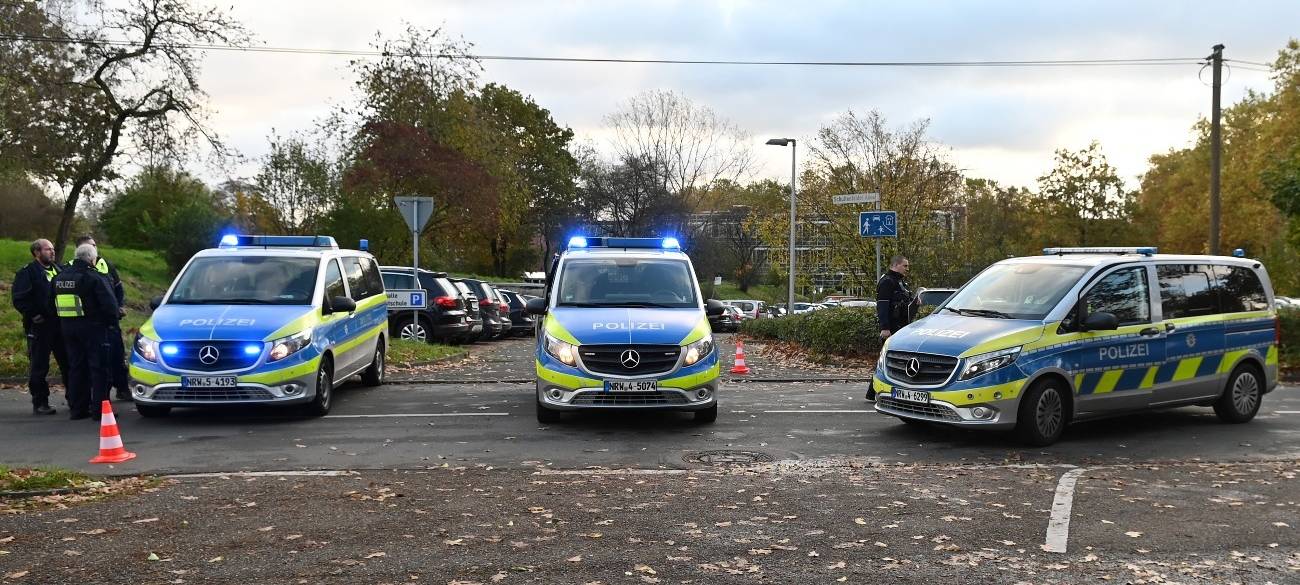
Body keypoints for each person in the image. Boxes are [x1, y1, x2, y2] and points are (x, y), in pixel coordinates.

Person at [52, 243, 121, 420]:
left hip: (67, 329)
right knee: (99, 369)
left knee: (76, 368)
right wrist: (111, 323)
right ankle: (100, 411)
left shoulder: (59, 277)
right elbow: (110, 305)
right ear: (92, 258)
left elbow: (49, 304)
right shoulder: (93, 277)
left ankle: (77, 409)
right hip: (93, 328)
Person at [10, 239, 68, 415]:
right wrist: (34, 315)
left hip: (59, 325)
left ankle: (75, 399)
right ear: (37, 252)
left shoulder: (58, 270)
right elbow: (19, 298)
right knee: (39, 366)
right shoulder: (28, 273)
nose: (52, 252)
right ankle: (40, 402)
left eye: (52, 249)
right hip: (40, 327)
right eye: (47, 249)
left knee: (68, 363)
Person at [76, 235, 130, 401]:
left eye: (94, 245)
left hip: (111, 319)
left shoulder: (106, 265)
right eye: (88, 246)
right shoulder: (73, 268)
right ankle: (95, 396)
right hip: (91, 322)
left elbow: (118, 290)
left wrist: (119, 307)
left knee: (117, 356)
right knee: (94, 361)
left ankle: (122, 388)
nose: (93, 249)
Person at [867, 256, 915, 402]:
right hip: (892, 327)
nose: (907, 269)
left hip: (901, 327)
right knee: (887, 359)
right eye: (905, 266)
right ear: (895, 265)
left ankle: (877, 391)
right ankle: (875, 391)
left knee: (892, 359)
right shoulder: (887, 281)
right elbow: (882, 306)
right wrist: (885, 327)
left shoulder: (899, 282)